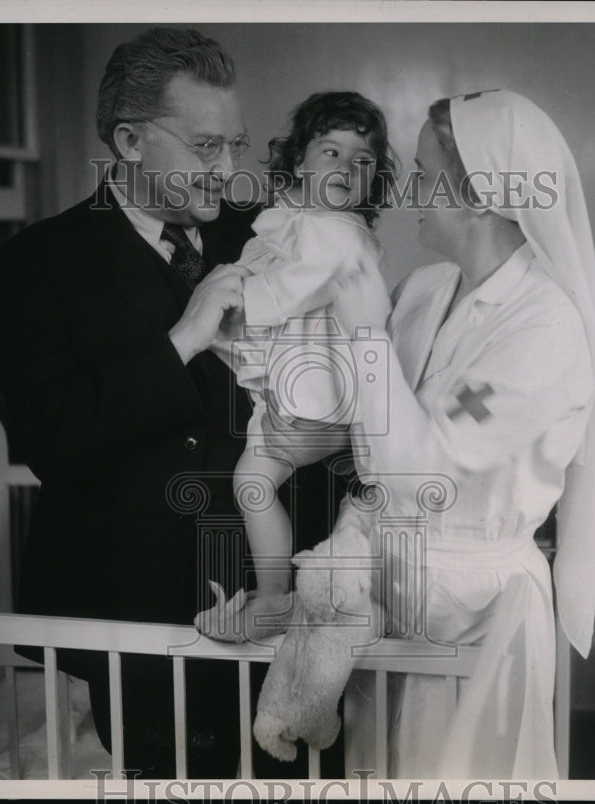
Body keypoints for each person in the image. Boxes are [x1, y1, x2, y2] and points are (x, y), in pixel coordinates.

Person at [328, 90, 595, 777]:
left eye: (422, 171)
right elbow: (372, 450)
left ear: (477, 195)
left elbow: (420, 475)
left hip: (480, 607)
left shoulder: (546, 327)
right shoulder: (425, 290)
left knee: (456, 774)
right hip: (391, 594)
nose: (404, 188)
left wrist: (362, 334)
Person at [0, 27, 262, 778]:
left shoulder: (265, 237)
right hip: (134, 597)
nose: (228, 170)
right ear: (129, 141)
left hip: (267, 583)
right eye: (207, 148)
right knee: (166, 773)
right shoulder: (40, 263)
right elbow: (50, 437)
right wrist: (181, 339)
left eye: (234, 146)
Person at [195, 91, 395, 642]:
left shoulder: (341, 233)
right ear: (299, 162)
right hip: (291, 397)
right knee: (251, 483)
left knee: (257, 482)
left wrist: (230, 308)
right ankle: (276, 595)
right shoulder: (289, 221)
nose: (347, 168)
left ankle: (278, 594)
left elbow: (288, 289)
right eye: (331, 152)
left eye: (363, 162)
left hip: (318, 397)